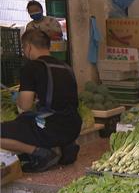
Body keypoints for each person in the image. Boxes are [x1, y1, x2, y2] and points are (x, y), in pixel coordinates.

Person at [0, 29, 82, 172]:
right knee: (28, 121)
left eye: (24, 48)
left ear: (29, 47)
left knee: (19, 122)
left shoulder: (31, 68)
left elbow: (25, 106)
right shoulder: (66, 66)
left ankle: (41, 153)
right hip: (73, 127)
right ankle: (66, 147)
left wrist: (18, 98)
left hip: (50, 127)